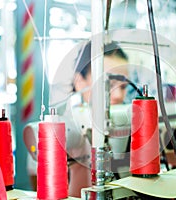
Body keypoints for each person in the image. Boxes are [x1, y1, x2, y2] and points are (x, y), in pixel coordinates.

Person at [25, 40, 129, 197]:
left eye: (123, 87)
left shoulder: (129, 123)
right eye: (109, 84)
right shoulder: (56, 132)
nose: (118, 95)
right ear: (80, 82)